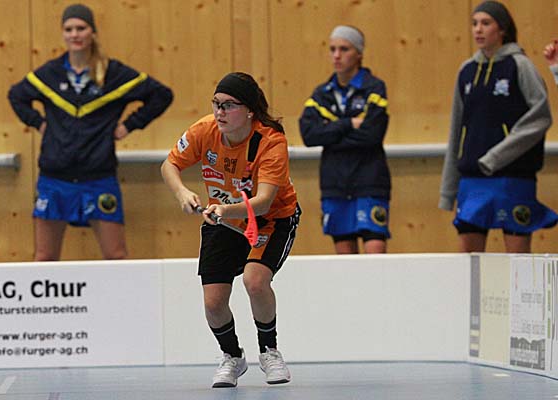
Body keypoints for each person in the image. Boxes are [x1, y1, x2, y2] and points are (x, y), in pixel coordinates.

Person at [161, 72, 300, 388]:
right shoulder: (204, 130)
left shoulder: (270, 142)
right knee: (213, 302)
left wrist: (225, 209)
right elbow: (169, 165)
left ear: (249, 110)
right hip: (223, 220)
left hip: (270, 220)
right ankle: (232, 356)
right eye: (216, 104)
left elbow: (263, 202)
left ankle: (269, 351)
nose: (219, 112)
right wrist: (182, 193)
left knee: (255, 281)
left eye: (228, 105)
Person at [8, 4, 173, 261]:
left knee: (116, 256)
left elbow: (161, 95)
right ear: (63, 34)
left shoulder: (114, 74)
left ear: (92, 32)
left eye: (81, 28)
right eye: (68, 29)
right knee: (44, 258)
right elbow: (16, 95)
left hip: (98, 177)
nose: (75, 34)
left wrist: (128, 126)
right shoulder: (50, 73)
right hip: (54, 178)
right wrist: (39, 123)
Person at [439, 1, 558, 253]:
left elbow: (541, 116)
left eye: (486, 23)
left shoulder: (520, 66)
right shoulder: (466, 71)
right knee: (469, 261)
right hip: (472, 179)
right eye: (474, 24)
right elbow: (456, 131)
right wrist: (447, 191)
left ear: (502, 29)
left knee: (518, 261)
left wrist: (496, 156)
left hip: (512, 177)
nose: (478, 29)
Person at [299, 25, 391, 255]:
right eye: (332, 49)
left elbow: (372, 135)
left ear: (358, 53)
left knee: (375, 255)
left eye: (344, 49)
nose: (337, 55)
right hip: (335, 185)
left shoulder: (374, 88)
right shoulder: (321, 94)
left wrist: (330, 134)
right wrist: (347, 124)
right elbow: (309, 135)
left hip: (369, 181)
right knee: (345, 260)